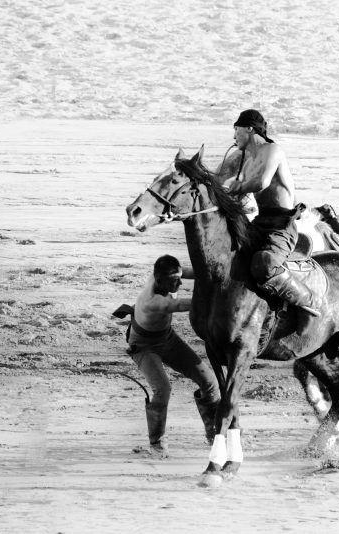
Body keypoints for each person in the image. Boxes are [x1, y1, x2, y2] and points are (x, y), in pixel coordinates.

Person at [218, 109, 321, 316]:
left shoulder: (273, 150)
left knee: (263, 264)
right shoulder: (246, 161)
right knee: (231, 258)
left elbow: (261, 182)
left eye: (236, 129)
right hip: (260, 221)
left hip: (282, 223)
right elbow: (237, 194)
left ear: (249, 128)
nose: (234, 136)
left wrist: (238, 187)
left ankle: (311, 300)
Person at [115, 255, 220, 457]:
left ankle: (214, 435)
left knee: (209, 381)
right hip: (144, 346)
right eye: (175, 281)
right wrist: (219, 296)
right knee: (163, 389)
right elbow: (183, 305)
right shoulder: (153, 301)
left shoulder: (166, 278)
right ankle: (157, 444)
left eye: (179, 278)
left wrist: (218, 274)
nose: (180, 283)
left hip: (167, 338)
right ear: (159, 280)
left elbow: (192, 272)